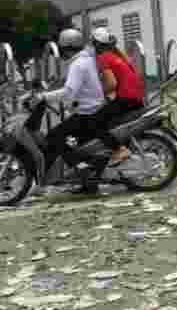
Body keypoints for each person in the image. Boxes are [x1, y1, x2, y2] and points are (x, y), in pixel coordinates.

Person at [37, 28, 106, 191]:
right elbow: (77, 88)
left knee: (54, 136)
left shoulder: (78, 64)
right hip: (92, 110)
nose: (60, 52)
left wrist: (44, 97)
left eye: (61, 48)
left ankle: (82, 168)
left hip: (87, 113)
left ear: (67, 48)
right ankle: (88, 182)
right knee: (71, 142)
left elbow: (69, 91)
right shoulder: (86, 60)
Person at [91, 27, 145, 165]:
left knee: (94, 122)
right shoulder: (116, 56)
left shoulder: (102, 58)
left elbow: (111, 84)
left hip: (126, 98)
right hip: (136, 98)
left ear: (96, 44)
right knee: (110, 119)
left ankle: (118, 149)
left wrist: (96, 95)